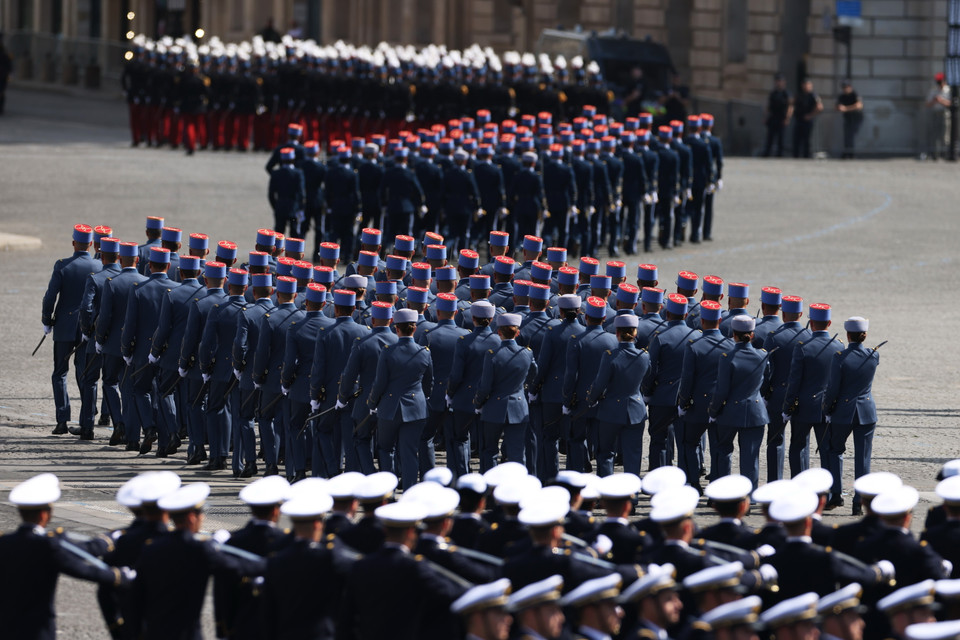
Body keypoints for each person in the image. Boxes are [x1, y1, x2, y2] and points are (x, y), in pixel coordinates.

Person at [0, 473, 132, 640]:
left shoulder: (4, 542)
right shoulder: (47, 545)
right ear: (44, 515)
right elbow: (82, 568)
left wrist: (103, 542)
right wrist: (120, 575)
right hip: (37, 629)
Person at [367, 308, 434, 490]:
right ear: (414, 329)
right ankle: (410, 490)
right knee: (410, 452)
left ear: (396, 328)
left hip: (390, 408)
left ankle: (388, 492)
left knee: (386, 450)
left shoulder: (388, 352)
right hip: (416, 408)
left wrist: (372, 403)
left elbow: (380, 383)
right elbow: (429, 383)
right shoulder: (424, 352)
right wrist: (422, 398)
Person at [43, 224, 100, 436]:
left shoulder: (62, 265)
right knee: (86, 374)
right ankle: (87, 423)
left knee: (60, 372)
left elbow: (51, 296)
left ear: (74, 243)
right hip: (89, 327)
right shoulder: (98, 266)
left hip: (65, 326)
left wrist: (46, 319)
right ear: (91, 244)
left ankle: (62, 420)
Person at [822, 317, 881, 515]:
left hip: (843, 412)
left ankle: (836, 494)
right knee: (863, 457)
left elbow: (833, 389)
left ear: (847, 335)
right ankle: (859, 501)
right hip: (866, 411)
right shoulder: (873, 355)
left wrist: (827, 409)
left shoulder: (839, 357)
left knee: (834, 450)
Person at [708, 316, 770, 490]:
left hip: (729, 412)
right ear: (752, 335)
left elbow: (721, 390)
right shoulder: (762, 355)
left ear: (733, 334)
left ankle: (722, 493)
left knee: (723, 452)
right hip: (755, 411)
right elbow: (766, 380)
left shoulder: (727, 357)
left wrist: (713, 411)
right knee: (750, 457)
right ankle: (749, 496)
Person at [268, 147, 306, 236]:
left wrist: (276, 206)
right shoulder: (298, 173)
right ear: (293, 159)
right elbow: (301, 193)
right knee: (294, 235)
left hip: (280, 207)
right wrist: (301, 207)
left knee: (278, 234)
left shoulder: (276, 173)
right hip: (294, 208)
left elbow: (271, 194)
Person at [763, 73, 792, 158]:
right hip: (773, 117)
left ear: (783, 82)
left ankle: (780, 155)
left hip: (781, 118)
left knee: (781, 138)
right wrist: (765, 117)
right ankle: (767, 154)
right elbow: (768, 106)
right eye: (777, 81)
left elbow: (790, 106)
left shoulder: (786, 93)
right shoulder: (773, 93)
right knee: (770, 137)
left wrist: (787, 118)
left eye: (780, 81)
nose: (778, 83)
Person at [792, 78, 823, 159]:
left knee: (807, 139)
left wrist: (810, 115)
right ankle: (796, 156)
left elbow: (819, 107)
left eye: (808, 85)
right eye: (805, 85)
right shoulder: (799, 94)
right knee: (796, 139)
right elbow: (792, 104)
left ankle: (806, 156)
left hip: (808, 120)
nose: (806, 87)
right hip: (799, 119)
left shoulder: (813, 95)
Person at [926, 72, 952, 160]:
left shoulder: (948, 90)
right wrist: (934, 100)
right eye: (938, 82)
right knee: (935, 134)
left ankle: (946, 154)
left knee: (945, 135)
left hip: (945, 114)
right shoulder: (933, 91)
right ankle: (935, 154)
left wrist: (941, 100)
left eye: (941, 82)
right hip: (935, 113)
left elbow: (951, 103)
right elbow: (928, 104)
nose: (940, 84)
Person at [836, 80, 864, 159]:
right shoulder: (842, 96)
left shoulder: (854, 94)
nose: (845, 89)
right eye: (844, 87)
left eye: (846, 87)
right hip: (847, 119)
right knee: (847, 136)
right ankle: (847, 152)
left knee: (851, 136)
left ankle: (850, 153)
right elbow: (837, 106)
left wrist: (846, 109)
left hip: (856, 118)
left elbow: (859, 105)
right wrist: (840, 108)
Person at [0, 33, 11, 115]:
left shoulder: (3, 51)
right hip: (3, 74)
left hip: (2, 74)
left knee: (2, 91)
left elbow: (8, 63)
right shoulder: (3, 50)